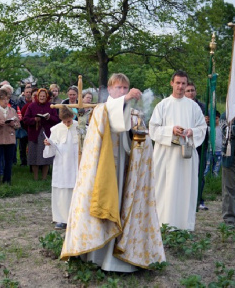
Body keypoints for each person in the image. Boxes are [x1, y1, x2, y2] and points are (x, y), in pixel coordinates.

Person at [61, 73, 165, 272]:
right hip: (103, 171)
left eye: (126, 88)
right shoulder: (101, 110)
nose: (123, 92)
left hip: (125, 169)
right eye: (118, 88)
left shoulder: (133, 113)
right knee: (105, 207)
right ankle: (98, 257)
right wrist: (124, 100)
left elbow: (141, 141)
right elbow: (111, 116)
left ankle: (120, 257)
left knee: (122, 206)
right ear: (110, 90)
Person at [149, 70, 207, 231]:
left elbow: (202, 127)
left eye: (184, 83)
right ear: (172, 83)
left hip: (185, 156)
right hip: (166, 155)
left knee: (185, 188)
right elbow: (153, 129)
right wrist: (171, 130)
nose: (181, 86)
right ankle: (164, 224)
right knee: (165, 188)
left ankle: (184, 226)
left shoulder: (193, 106)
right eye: (178, 83)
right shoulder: (163, 105)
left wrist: (191, 132)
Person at [43, 107, 78, 230]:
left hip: (76, 165)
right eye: (65, 122)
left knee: (76, 190)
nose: (67, 124)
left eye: (69, 121)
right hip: (61, 165)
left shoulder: (80, 127)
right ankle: (61, 219)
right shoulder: (56, 129)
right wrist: (49, 144)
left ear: (73, 117)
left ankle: (77, 217)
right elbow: (50, 151)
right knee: (62, 192)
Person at [23, 88, 59, 180]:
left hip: (46, 133)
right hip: (34, 134)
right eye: (40, 96)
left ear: (47, 97)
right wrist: (34, 120)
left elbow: (57, 119)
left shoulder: (51, 106)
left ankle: (44, 177)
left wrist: (49, 117)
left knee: (46, 155)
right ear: (37, 96)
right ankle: (35, 177)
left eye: (44, 96)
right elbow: (25, 119)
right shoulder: (31, 106)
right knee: (34, 155)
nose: (42, 98)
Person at [185, 82, 209, 210]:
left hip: (200, 145)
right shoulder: (181, 106)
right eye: (188, 91)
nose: (190, 93)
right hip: (186, 143)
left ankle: (199, 199)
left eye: (192, 90)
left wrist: (206, 121)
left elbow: (208, 124)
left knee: (200, 172)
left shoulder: (203, 107)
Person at [221, 106, 235, 229]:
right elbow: (228, 132)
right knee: (229, 190)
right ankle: (229, 220)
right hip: (231, 157)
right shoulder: (226, 115)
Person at [204, 111, 222, 177]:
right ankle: (205, 176)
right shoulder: (208, 128)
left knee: (217, 165)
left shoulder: (221, 128)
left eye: (216, 118)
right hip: (210, 150)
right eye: (213, 119)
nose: (214, 120)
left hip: (219, 150)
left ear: (219, 118)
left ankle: (215, 177)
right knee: (207, 164)